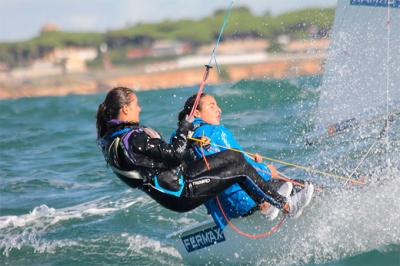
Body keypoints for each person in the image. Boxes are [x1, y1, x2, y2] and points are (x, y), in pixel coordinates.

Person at [96, 87, 303, 214]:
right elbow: (174, 155)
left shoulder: (112, 140)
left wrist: (192, 141)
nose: (139, 108)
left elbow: (167, 160)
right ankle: (284, 205)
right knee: (239, 167)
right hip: (180, 192)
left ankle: (263, 204)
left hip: (175, 182)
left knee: (233, 156)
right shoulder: (134, 139)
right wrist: (185, 127)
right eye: (136, 105)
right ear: (125, 109)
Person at [177, 93, 314, 227]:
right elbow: (240, 166)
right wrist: (266, 170)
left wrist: (257, 164)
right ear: (196, 113)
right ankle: (273, 206)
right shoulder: (214, 132)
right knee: (303, 186)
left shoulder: (182, 139)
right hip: (245, 199)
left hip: (224, 208)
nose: (219, 110)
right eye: (212, 106)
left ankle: (268, 205)